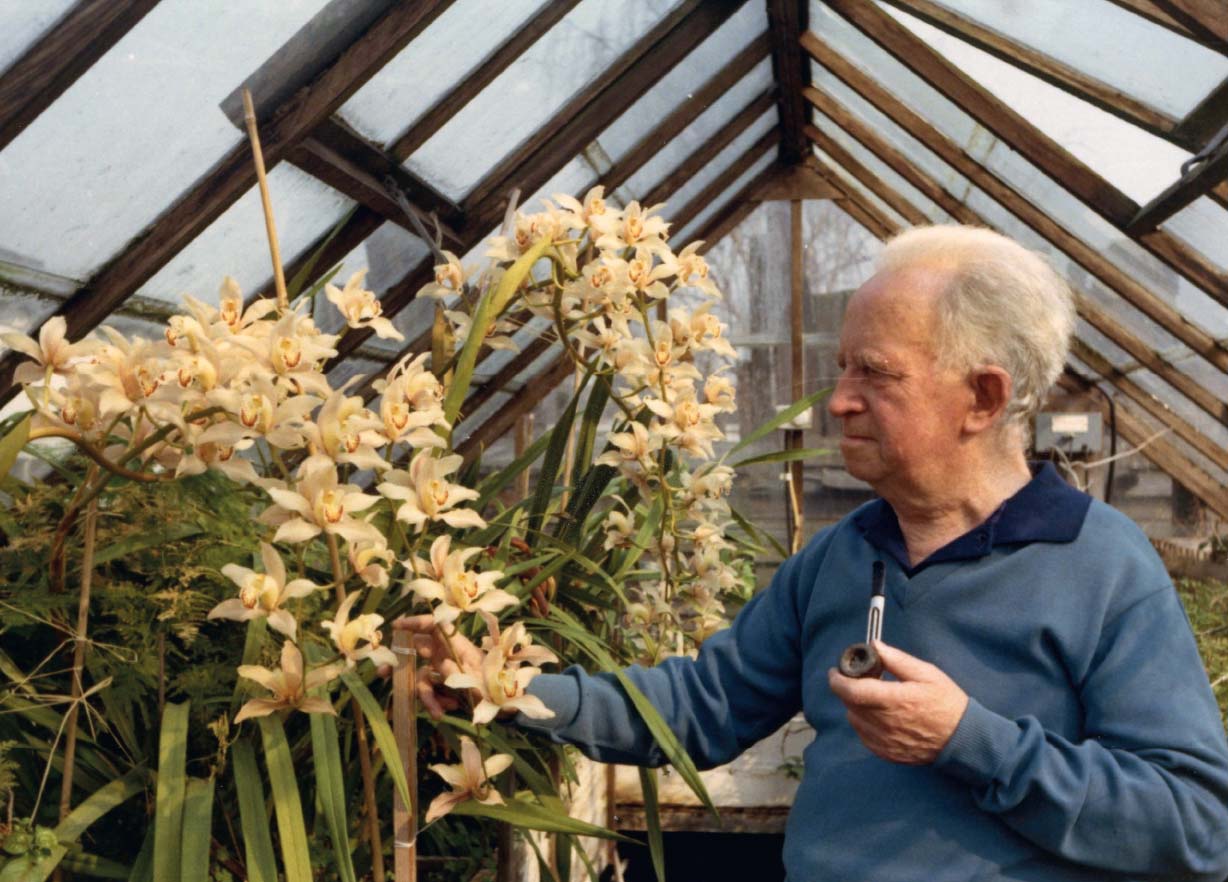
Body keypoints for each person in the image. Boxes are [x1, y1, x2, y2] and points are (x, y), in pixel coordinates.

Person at [397, 225, 1228, 881]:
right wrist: (507, 689)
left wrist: (969, 740)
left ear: (982, 397)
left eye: (875, 373)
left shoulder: (1100, 564)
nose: (838, 402)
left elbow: (1195, 825)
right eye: (840, 369)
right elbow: (697, 707)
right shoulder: (839, 557)